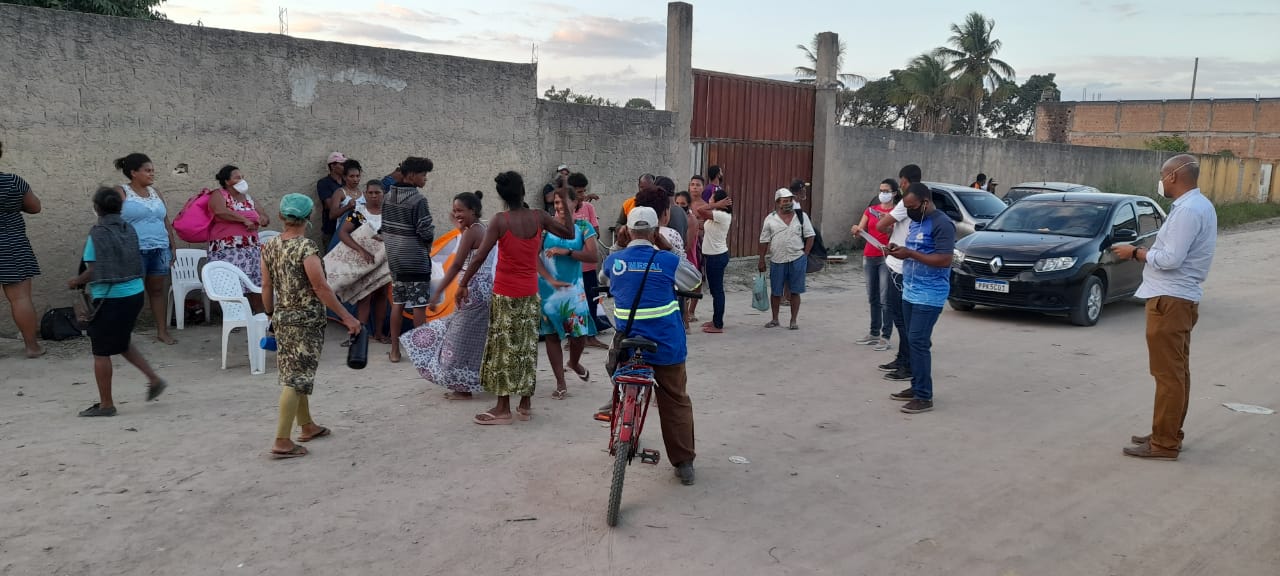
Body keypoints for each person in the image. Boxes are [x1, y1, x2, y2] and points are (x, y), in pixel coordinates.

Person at [1111, 154, 1216, 461]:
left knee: (1168, 375)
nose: (1161, 180)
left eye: (1162, 174)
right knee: (1177, 372)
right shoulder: (1199, 206)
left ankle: (1165, 443)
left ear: (1173, 177)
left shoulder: (1188, 211)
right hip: (1178, 298)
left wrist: (1136, 253)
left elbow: (1170, 259)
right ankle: (1167, 433)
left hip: (1170, 299)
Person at [456, 171, 574, 425]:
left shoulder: (500, 220)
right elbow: (568, 232)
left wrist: (462, 284)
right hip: (530, 294)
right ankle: (525, 402)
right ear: (523, 191)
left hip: (505, 294)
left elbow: (478, 258)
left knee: (503, 351)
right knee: (526, 348)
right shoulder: (539, 217)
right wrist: (564, 199)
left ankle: (502, 408)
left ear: (501, 195)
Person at [602, 206, 702, 485]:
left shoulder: (615, 260)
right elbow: (694, 280)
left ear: (627, 230)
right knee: (675, 399)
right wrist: (666, 247)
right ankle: (684, 463)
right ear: (655, 232)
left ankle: (620, 412)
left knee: (618, 379)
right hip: (666, 344)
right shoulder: (667, 260)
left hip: (628, 344)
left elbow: (604, 280)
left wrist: (620, 248)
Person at [260, 194, 362, 459]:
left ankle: (307, 425)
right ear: (308, 217)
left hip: (282, 317)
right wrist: (347, 317)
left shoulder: (269, 246)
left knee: (297, 373)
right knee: (295, 379)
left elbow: (267, 285)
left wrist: (270, 313)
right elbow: (320, 287)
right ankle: (282, 440)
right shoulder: (306, 248)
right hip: (305, 321)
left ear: (282, 216)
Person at [68, 187, 167, 417]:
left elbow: (92, 271)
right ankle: (153, 379)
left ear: (96, 208)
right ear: (120, 207)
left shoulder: (97, 233)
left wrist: (75, 281)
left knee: (101, 351)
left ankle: (106, 405)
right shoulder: (129, 228)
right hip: (134, 293)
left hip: (110, 297)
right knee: (121, 341)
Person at [405, 192, 496, 399]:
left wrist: (438, 291)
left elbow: (456, 265)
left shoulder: (471, 233)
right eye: (454, 210)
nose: (456, 214)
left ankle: (462, 389)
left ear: (472, 210)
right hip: (482, 289)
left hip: (470, 290)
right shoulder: (481, 228)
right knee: (470, 340)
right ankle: (466, 384)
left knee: (457, 340)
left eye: (460, 210)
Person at [885, 182, 955, 414]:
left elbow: (944, 259)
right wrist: (897, 250)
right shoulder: (916, 222)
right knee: (912, 339)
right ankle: (916, 387)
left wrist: (910, 253)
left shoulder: (942, 224)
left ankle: (924, 396)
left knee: (918, 341)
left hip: (930, 294)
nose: (909, 212)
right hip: (911, 289)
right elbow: (913, 251)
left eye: (912, 206)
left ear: (925, 203)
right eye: (906, 207)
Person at [537, 188, 599, 399]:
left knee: (579, 334)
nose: (560, 207)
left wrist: (568, 252)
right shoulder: (545, 228)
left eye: (563, 202)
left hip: (573, 289)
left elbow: (593, 256)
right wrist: (549, 278)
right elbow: (533, 256)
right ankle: (560, 383)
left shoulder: (583, 227)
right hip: (549, 289)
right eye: (556, 203)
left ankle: (573, 362)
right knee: (551, 335)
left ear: (575, 203)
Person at [114, 153, 178, 345]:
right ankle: (121, 334)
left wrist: (172, 246)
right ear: (134, 173)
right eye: (147, 170)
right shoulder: (121, 192)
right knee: (131, 292)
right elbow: (111, 220)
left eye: (152, 171)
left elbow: (165, 220)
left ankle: (162, 331)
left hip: (159, 248)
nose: (151, 174)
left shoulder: (156, 193)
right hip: (134, 250)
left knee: (157, 290)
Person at [383, 156, 436, 363]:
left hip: (395, 259)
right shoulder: (418, 200)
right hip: (415, 259)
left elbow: (385, 227)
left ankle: (395, 351)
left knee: (397, 303)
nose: (425, 179)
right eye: (424, 175)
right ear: (412, 175)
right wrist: (427, 243)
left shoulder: (387, 197)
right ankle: (421, 353)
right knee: (418, 306)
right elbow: (425, 230)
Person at [876, 164, 923, 382]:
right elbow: (891, 227)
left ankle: (908, 364)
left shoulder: (908, 201)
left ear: (903, 182)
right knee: (898, 316)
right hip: (897, 262)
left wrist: (885, 222)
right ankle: (902, 358)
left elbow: (881, 225)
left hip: (902, 268)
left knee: (902, 319)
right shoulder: (913, 202)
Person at [0, 141, 45, 358]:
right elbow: (35, 207)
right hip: (12, 243)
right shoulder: (13, 182)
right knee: (20, 298)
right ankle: (32, 347)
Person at [208, 165, 269, 313]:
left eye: (242, 177)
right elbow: (220, 211)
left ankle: (260, 316)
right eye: (237, 177)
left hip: (250, 248)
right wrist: (243, 220)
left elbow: (264, 216)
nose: (242, 180)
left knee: (255, 282)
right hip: (228, 249)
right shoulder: (219, 194)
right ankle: (233, 316)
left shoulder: (249, 198)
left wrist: (262, 220)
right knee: (231, 284)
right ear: (227, 181)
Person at [336, 179, 390, 343]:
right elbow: (343, 233)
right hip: (363, 260)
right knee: (364, 296)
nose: (374, 196)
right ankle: (359, 335)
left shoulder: (390, 213)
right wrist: (361, 250)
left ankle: (378, 334)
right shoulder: (358, 212)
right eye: (370, 193)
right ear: (365, 194)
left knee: (381, 295)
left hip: (384, 260)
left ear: (384, 194)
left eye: (377, 193)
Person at [849, 179, 899, 350]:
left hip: (887, 257)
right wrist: (856, 229)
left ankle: (886, 336)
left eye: (886, 190)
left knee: (886, 298)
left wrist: (889, 225)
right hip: (870, 255)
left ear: (894, 193)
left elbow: (897, 235)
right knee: (873, 297)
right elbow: (860, 229)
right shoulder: (870, 210)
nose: (883, 193)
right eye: (880, 190)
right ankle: (873, 332)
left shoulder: (897, 212)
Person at [758, 188, 814, 330]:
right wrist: (761, 259)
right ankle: (775, 319)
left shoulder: (801, 216)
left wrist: (805, 254)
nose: (788, 203)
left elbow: (810, 236)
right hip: (777, 259)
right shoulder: (770, 219)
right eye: (784, 201)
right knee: (776, 291)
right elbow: (764, 240)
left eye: (789, 200)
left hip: (797, 258)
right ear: (778, 202)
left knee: (795, 291)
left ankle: (793, 320)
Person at [568, 172, 609, 350]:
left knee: (592, 300)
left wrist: (584, 232)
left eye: (584, 191)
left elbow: (597, 232)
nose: (583, 195)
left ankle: (591, 336)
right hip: (571, 266)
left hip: (588, 265)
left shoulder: (589, 209)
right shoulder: (563, 210)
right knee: (573, 302)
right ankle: (574, 338)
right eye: (578, 192)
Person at [695, 189, 732, 333]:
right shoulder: (716, 215)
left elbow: (699, 209)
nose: (709, 199)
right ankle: (716, 319)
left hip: (717, 256)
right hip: (712, 256)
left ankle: (718, 324)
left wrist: (717, 204)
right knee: (715, 291)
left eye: (712, 198)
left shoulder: (721, 215)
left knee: (717, 292)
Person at [325, 159, 366, 252]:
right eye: (351, 176)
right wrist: (347, 207)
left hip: (360, 235)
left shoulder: (363, 193)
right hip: (344, 235)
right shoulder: (340, 193)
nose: (355, 179)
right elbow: (332, 215)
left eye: (357, 176)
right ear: (344, 177)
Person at [316, 152, 347, 247]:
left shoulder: (347, 182)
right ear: (333, 166)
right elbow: (331, 206)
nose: (345, 167)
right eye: (342, 165)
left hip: (347, 228)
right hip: (331, 230)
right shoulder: (324, 183)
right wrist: (349, 205)